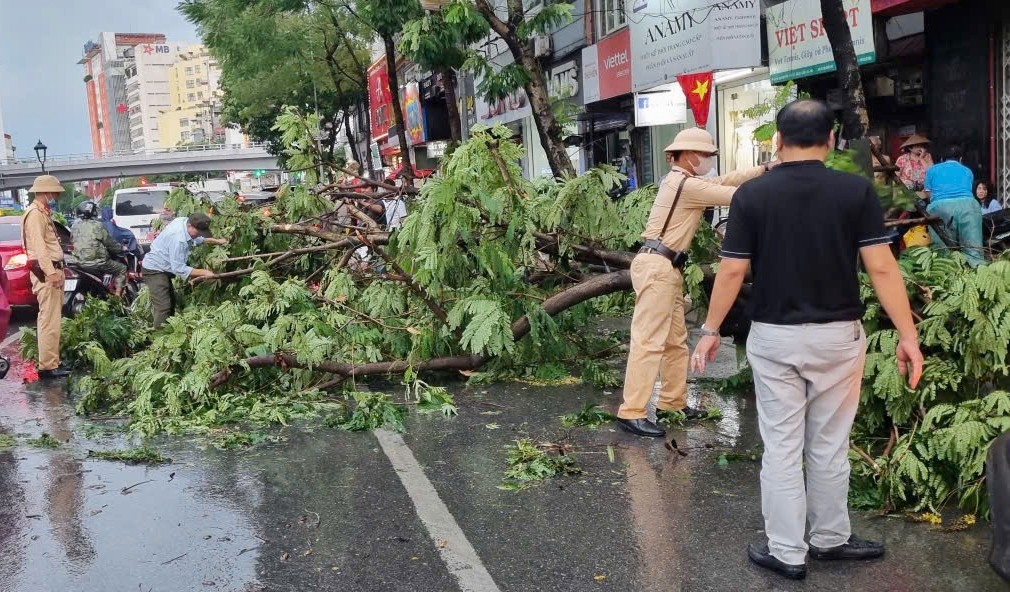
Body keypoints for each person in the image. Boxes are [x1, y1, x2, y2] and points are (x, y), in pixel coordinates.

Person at [691, 100, 924, 580]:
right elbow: (881, 266)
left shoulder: (751, 198)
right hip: (838, 338)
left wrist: (710, 330)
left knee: (781, 446)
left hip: (775, 338)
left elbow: (733, 269)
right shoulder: (855, 192)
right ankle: (830, 539)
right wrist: (908, 335)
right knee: (829, 444)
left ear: (777, 139)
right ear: (832, 140)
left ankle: (787, 551)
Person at [615, 127, 775, 438]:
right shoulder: (684, 185)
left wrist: (765, 169)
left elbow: (723, 181)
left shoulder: (683, 181)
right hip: (658, 267)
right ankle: (631, 412)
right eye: (705, 155)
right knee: (649, 343)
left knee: (675, 342)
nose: (708, 160)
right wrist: (776, 182)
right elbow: (737, 195)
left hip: (666, 268)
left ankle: (672, 403)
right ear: (688, 156)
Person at [21, 175, 71, 379]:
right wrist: (51, 273)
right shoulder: (34, 214)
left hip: (52, 270)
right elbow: (40, 248)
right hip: (46, 273)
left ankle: (52, 361)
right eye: (54, 192)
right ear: (46, 192)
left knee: (52, 318)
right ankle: (48, 366)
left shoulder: (41, 212)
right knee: (48, 319)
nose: (55, 196)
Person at [141, 212, 228, 328]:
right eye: (198, 233)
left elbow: (198, 239)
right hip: (155, 269)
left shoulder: (184, 221)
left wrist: (217, 241)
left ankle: (168, 332)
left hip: (164, 267)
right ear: (190, 226)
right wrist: (205, 272)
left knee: (170, 304)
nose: (198, 235)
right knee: (164, 307)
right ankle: (159, 339)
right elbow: (178, 268)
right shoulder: (178, 239)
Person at [924, 145, 984, 265]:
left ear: (941, 159)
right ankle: (977, 273)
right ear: (961, 159)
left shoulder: (932, 170)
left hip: (940, 207)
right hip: (968, 206)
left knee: (942, 250)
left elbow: (928, 194)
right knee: (973, 248)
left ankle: (946, 273)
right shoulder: (967, 171)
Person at [70, 201, 126, 296]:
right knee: (122, 268)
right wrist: (121, 248)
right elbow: (110, 243)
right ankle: (117, 296)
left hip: (79, 263)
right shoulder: (98, 226)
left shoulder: (74, 226)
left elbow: (72, 240)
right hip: (98, 263)